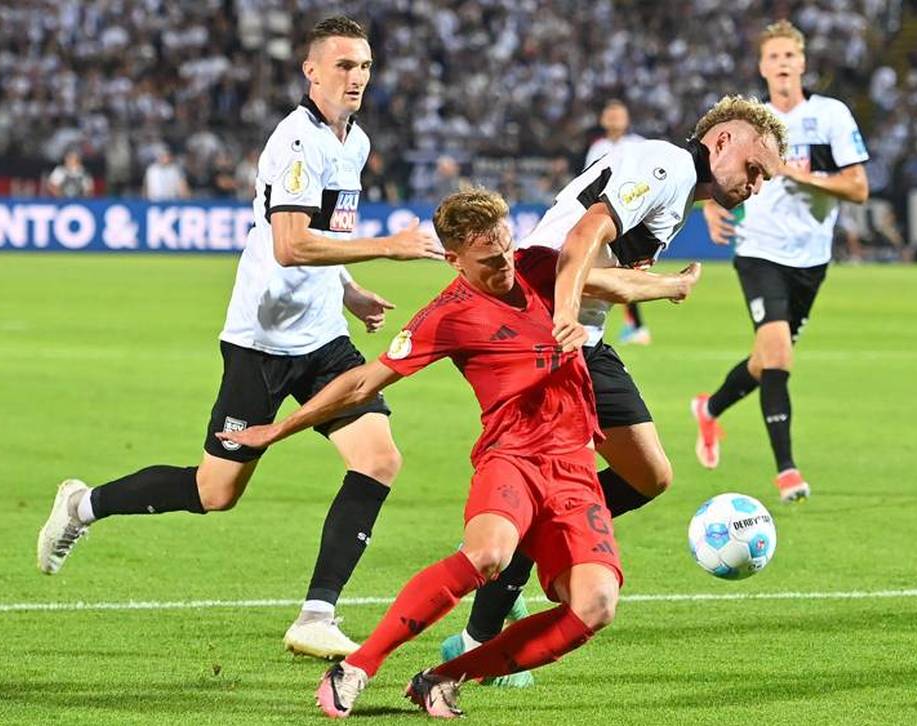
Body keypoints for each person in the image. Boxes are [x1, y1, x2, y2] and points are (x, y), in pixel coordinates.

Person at [35, 15, 443, 661]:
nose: (357, 77)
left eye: (365, 65)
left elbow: (325, 233)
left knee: (378, 458)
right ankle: (84, 505)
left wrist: (348, 289)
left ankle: (316, 615)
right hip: (262, 342)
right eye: (344, 65)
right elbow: (289, 243)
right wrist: (388, 248)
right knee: (215, 492)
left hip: (322, 338)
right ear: (311, 71)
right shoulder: (297, 142)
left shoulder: (354, 140)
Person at [217, 189, 699, 719]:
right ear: (455, 260)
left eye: (507, 248)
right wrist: (281, 427)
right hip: (512, 458)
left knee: (596, 605)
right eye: (489, 260)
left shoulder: (538, 266)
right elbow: (362, 383)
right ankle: (356, 668)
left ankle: (443, 678)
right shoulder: (447, 316)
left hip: (576, 466)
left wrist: (671, 285)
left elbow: (609, 281)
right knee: (488, 554)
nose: (505, 266)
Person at [441, 94, 787, 686]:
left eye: (764, 180)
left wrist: (658, 287)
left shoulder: (678, 186)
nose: (754, 185)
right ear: (723, 140)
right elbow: (579, 242)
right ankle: (476, 642)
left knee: (648, 474)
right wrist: (566, 319)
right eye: (754, 169)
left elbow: (603, 267)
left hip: (584, 337)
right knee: (558, 480)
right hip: (548, 332)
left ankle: (523, 542)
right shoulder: (667, 165)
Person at [693, 20, 870, 503]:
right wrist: (710, 207)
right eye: (774, 57)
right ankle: (787, 471)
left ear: (802, 63)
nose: (782, 64)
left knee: (764, 361)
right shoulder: (751, 124)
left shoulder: (831, 115)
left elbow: (858, 188)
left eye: (789, 56)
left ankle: (709, 409)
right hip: (759, 251)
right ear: (762, 67)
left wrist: (796, 175)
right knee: (778, 357)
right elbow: (709, 171)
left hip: (811, 259)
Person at [584, 100, 650, 346]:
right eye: (610, 114)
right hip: (603, 215)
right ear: (602, 120)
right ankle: (630, 325)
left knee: (624, 269)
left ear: (627, 119)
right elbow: (588, 180)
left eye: (618, 114)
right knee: (612, 269)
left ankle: (635, 326)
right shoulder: (597, 147)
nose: (614, 119)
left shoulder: (639, 145)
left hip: (630, 215)